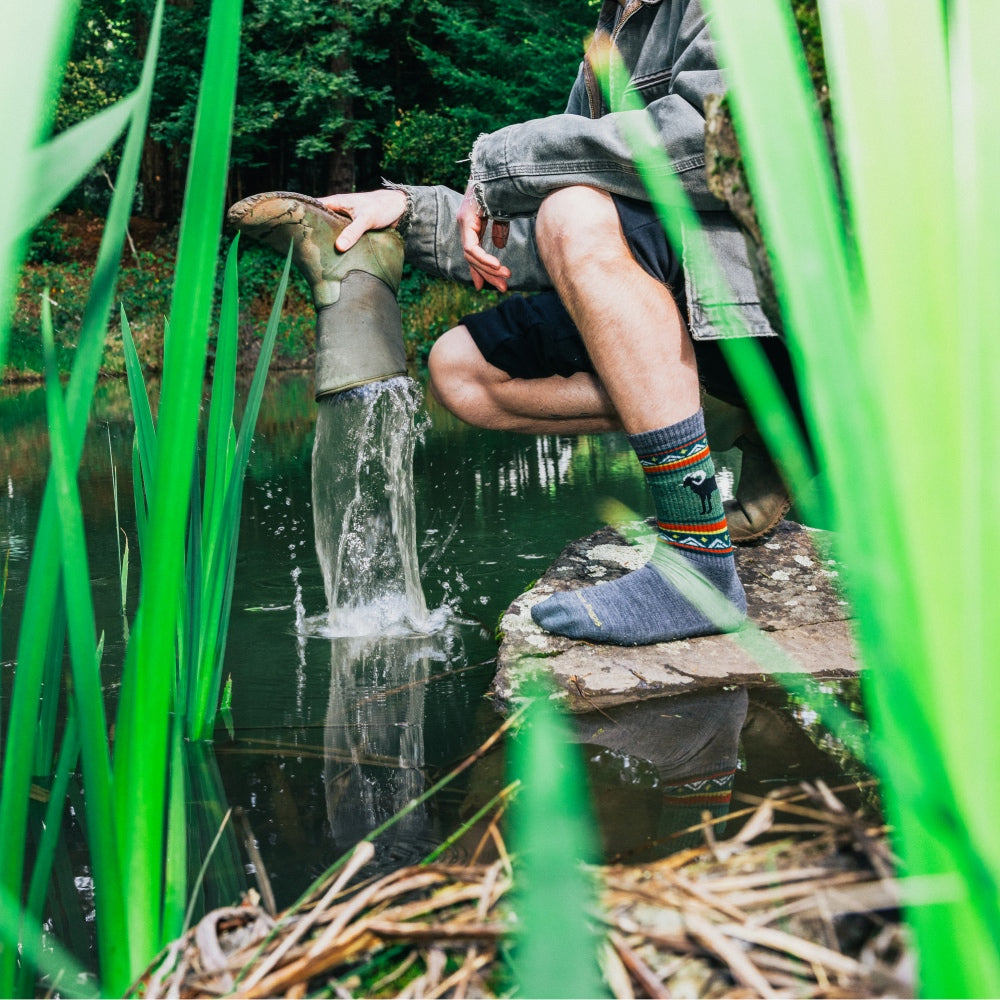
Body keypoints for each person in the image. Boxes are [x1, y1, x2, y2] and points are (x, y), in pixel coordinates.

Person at [239, 0, 800, 646]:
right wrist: (408, 215)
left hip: (769, 312)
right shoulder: (607, 39)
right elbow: (547, 239)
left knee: (572, 212)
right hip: (684, 312)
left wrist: (503, 162)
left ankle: (697, 562)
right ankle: (739, 418)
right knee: (460, 370)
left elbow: (712, 145)